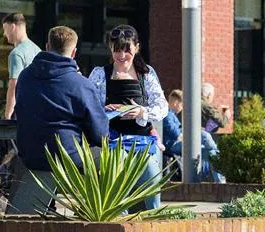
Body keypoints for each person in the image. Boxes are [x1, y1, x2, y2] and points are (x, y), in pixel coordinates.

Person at [88, 24, 168, 210]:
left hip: (143, 141)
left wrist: (142, 111)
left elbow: (162, 106)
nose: (122, 55)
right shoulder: (100, 74)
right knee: (119, 171)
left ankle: (154, 221)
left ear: (137, 47)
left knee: (151, 172)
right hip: (113, 141)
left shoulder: (146, 74)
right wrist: (104, 111)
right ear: (110, 48)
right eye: (117, 50)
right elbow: (88, 107)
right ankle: (119, 220)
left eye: (127, 50)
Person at [15, 25, 108, 170]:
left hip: (29, 157)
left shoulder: (24, 76)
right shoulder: (81, 85)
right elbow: (101, 135)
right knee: (122, 157)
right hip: (67, 158)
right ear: (73, 53)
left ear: (47, 46)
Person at [2, 13, 41, 119]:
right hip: (39, 108)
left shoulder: (16, 53)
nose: (4, 34)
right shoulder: (37, 50)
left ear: (12, 27)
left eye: (5, 29)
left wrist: (8, 114)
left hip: (23, 110)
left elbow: (14, 84)